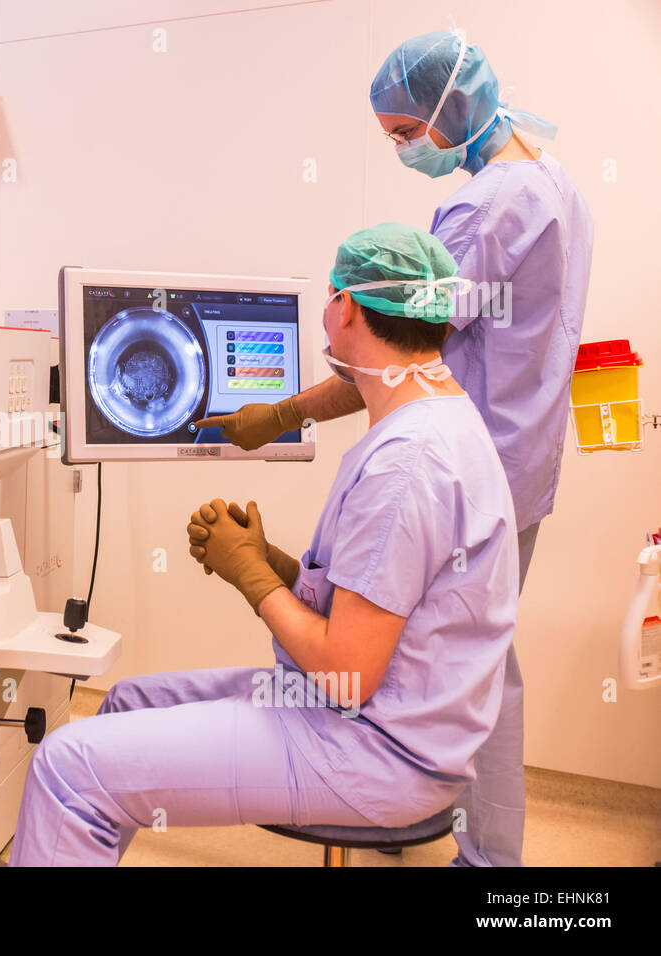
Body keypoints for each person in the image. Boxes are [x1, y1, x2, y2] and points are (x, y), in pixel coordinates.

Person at [198, 29, 593, 867]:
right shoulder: (555, 183)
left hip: (460, 464)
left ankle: (466, 847)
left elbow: (401, 348)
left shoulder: (487, 207)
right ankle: (451, 830)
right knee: (477, 662)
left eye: (405, 134)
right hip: (515, 464)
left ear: (448, 109)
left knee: (452, 673)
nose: (403, 149)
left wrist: (281, 415)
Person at [8, 224, 519, 866]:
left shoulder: (406, 465)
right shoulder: (441, 418)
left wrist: (250, 576)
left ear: (350, 308)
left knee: (65, 764)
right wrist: (272, 557)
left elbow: (349, 673)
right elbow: (381, 601)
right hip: (386, 722)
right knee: (125, 703)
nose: (327, 315)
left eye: (332, 299)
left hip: (373, 753)